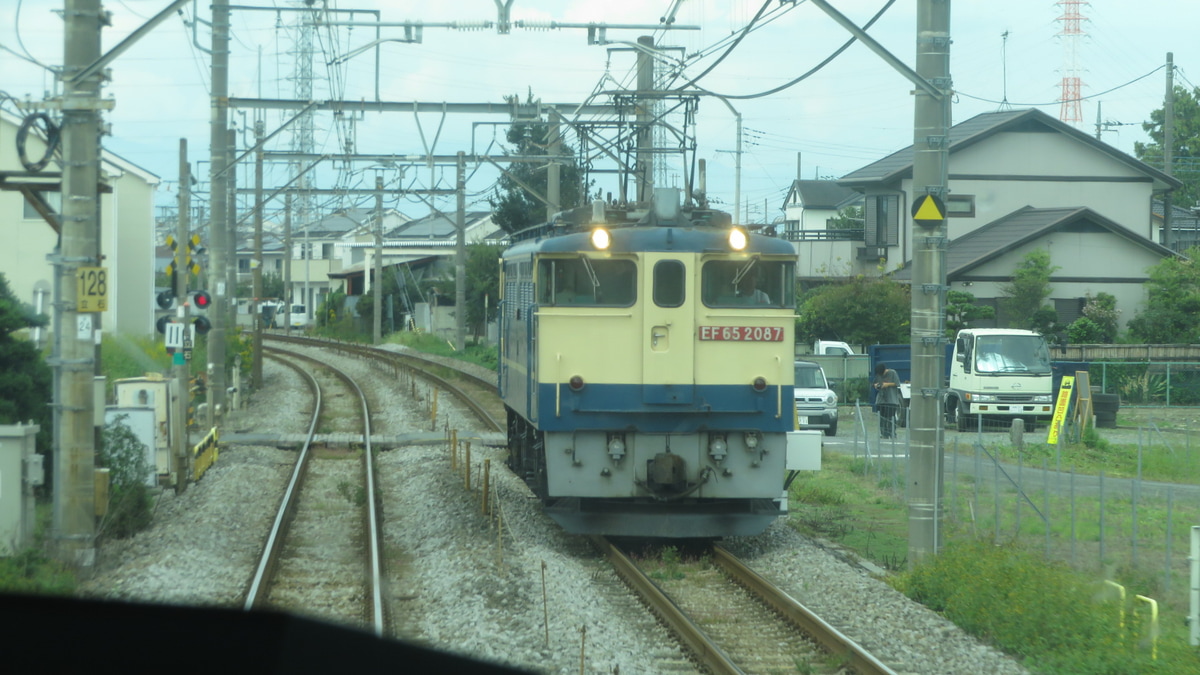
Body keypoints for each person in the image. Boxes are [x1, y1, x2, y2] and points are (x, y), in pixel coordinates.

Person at [873, 362, 901, 439]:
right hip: (881, 400)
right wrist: (876, 385)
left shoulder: (892, 373)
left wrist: (887, 384)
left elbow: (897, 383)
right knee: (882, 418)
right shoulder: (878, 374)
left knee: (890, 417)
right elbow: (874, 383)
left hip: (891, 399)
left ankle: (892, 433)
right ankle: (883, 433)